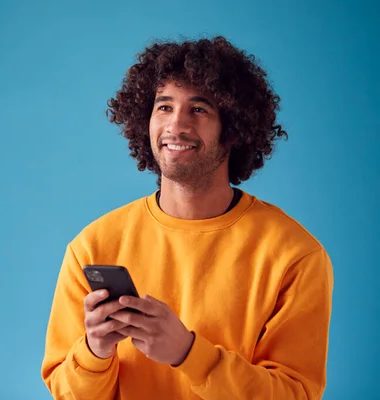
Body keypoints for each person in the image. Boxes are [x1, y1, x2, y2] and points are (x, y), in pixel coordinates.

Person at [40, 36, 333, 400]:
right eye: (164, 107)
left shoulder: (295, 256)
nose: (175, 126)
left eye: (199, 109)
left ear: (233, 129)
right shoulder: (92, 247)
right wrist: (95, 352)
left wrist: (188, 354)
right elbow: (66, 394)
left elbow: (295, 394)